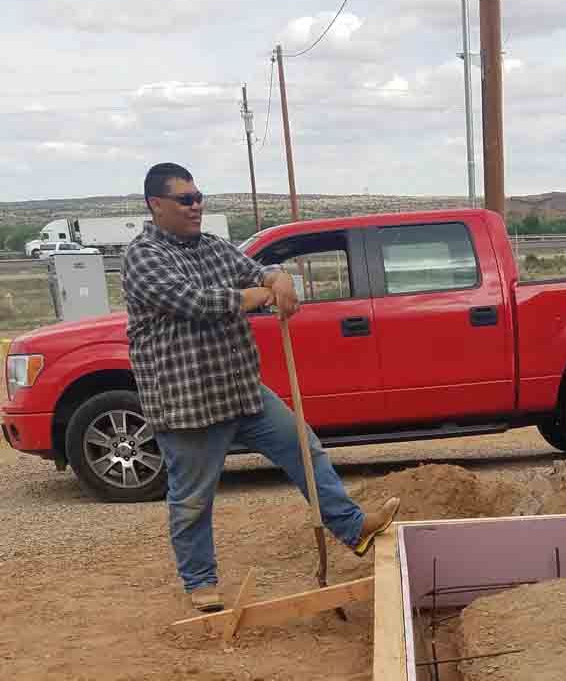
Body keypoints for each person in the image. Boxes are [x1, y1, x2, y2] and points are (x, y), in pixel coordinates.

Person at [123, 162, 399, 612]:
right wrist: (256, 295)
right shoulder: (144, 257)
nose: (196, 207)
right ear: (156, 204)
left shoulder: (213, 247)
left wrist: (279, 279)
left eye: (198, 197)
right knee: (192, 499)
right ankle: (201, 583)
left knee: (304, 449)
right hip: (186, 403)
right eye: (185, 200)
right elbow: (197, 303)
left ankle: (354, 528)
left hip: (241, 391)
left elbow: (257, 271)